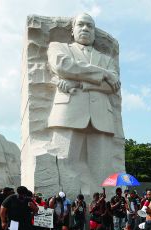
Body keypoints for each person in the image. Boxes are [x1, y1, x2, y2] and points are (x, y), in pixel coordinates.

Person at [46, 13, 122, 193]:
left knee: (102, 171)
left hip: (102, 116)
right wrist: (103, 74)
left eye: (90, 26)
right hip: (69, 111)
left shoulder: (107, 59)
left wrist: (80, 82)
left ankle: (102, 206)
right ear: (72, 30)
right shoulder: (58, 47)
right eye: (81, 25)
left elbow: (113, 86)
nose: (85, 29)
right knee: (64, 163)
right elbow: (63, 66)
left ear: (94, 33)